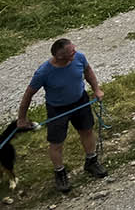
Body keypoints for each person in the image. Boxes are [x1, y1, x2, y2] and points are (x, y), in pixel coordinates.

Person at [16, 39, 106, 192]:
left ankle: (91, 161)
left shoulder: (79, 57)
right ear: (60, 56)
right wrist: (22, 118)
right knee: (56, 142)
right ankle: (60, 173)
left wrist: (96, 89)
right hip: (57, 109)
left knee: (87, 131)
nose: (75, 52)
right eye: (71, 51)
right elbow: (28, 95)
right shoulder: (43, 72)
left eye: (74, 49)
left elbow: (88, 71)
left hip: (80, 101)